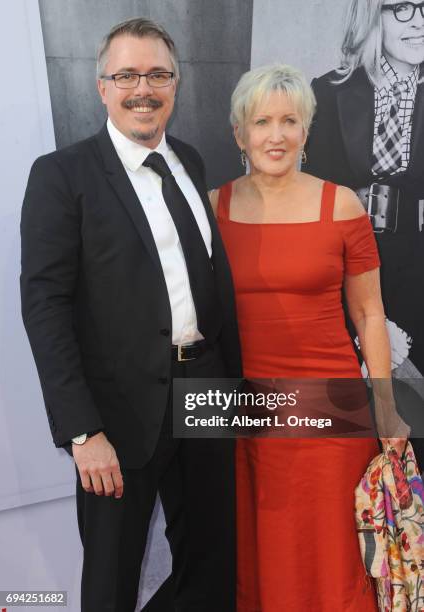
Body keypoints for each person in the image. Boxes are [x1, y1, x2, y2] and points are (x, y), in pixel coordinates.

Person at [21, 17, 241, 612]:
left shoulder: (190, 162)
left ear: (176, 84)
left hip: (208, 392)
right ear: (102, 87)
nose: (143, 87)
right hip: (114, 416)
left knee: (211, 563)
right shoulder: (61, 175)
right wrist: (81, 430)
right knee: (112, 579)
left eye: (157, 74)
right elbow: (44, 307)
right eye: (126, 75)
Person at [209, 63, 408, 611]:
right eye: (262, 121)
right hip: (242, 410)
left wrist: (385, 410)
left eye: (290, 121)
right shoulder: (212, 208)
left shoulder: (341, 205)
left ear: (307, 130)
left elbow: (370, 314)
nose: (276, 135)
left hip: (331, 408)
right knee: (258, 554)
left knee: (332, 557)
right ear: (238, 133)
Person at [304, 0, 424, 383]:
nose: (419, 22)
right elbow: (313, 205)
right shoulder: (328, 91)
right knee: (353, 417)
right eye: (403, 7)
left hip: (419, 276)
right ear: (372, 14)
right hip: (349, 273)